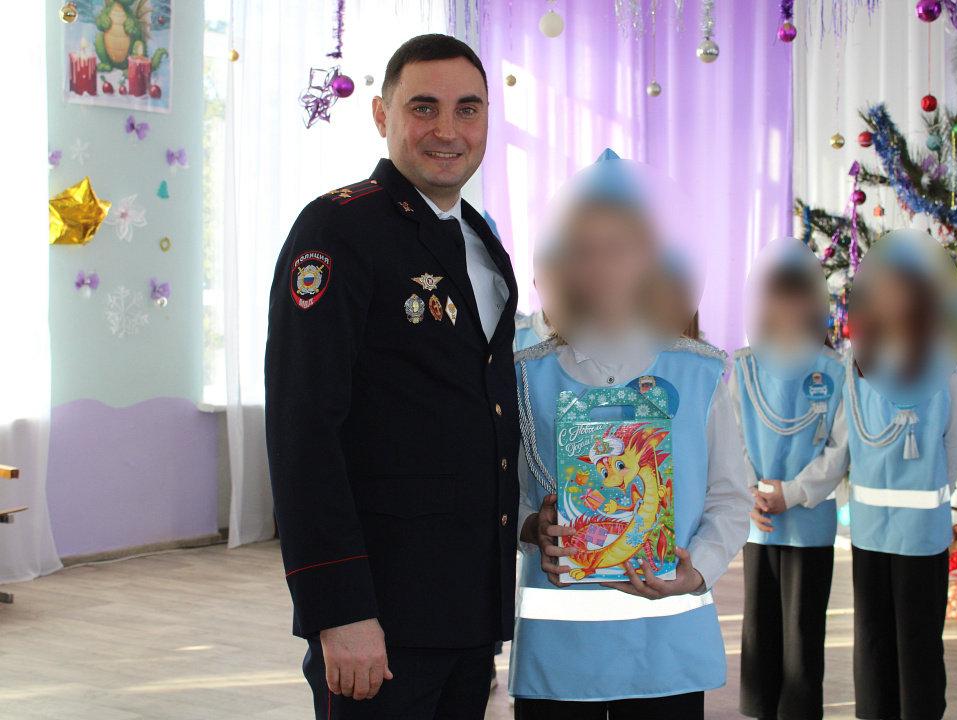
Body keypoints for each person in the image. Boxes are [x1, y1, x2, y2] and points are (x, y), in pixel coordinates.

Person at [264, 34, 519, 720]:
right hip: (382, 612)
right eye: (423, 107)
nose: (447, 130)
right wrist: (338, 608)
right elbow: (303, 428)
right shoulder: (338, 230)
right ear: (382, 115)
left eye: (468, 109)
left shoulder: (481, 241)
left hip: (469, 607)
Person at [509, 150, 753, 719]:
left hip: (665, 653)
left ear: (649, 259)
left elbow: (729, 497)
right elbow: (507, 496)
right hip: (560, 658)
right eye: (583, 250)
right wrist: (532, 526)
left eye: (618, 248)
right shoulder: (526, 377)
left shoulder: (700, 373)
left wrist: (699, 568)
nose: (601, 267)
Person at [843, 234, 957, 720]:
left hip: (921, 535)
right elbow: (845, 440)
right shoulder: (856, 364)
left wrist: (935, 491)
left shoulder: (941, 364)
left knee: (918, 645)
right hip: (870, 531)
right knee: (872, 642)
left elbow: (954, 441)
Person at [728, 247, 848, 720]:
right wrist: (752, 492)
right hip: (759, 522)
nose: (789, 309)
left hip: (810, 524)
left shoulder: (835, 370)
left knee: (803, 633)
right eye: (779, 298)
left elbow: (840, 448)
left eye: (800, 299)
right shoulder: (744, 367)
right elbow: (731, 436)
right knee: (759, 630)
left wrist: (793, 493)